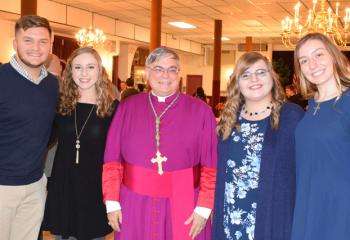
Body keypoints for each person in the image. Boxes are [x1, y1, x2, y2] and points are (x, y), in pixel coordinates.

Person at [102, 47, 218, 240]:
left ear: (179, 74)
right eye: (158, 69)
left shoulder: (201, 112)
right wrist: (112, 202)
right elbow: (112, 160)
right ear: (147, 73)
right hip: (135, 201)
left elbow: (210, 166)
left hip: (185, 200)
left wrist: (204, 208)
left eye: (172, 69)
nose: (165, 75)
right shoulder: (127, 108)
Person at [212, 52, 304, 240]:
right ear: (237, 82)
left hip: (273, 219)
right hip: (232, 219)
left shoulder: (291, 116)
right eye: (246, 75)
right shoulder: (230, 119)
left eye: (261, 72)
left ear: (272, 77)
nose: (254, 79)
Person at [43, 47, 118, 239]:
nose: (84, 73)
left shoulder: (113, 109)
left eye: (90, 67)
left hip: (94, 190)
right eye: (78, 67)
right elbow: (43, 138)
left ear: (99, 71)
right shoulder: (60, 104)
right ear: (70, 71)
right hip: (64, 187)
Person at [0, 15, 58, 240]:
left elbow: (51, 129)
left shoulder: (52, 84)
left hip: (35, 185)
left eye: (43, 41)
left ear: (50, 45)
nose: (36, 47)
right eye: (28, 40)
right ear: (15, 43)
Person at [291, 33, 350, 240]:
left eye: (318, 55)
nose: (312, 64)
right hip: (308, 203)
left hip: (340, 211)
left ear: (333, 56)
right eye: (304, 60)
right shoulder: (311, 105)